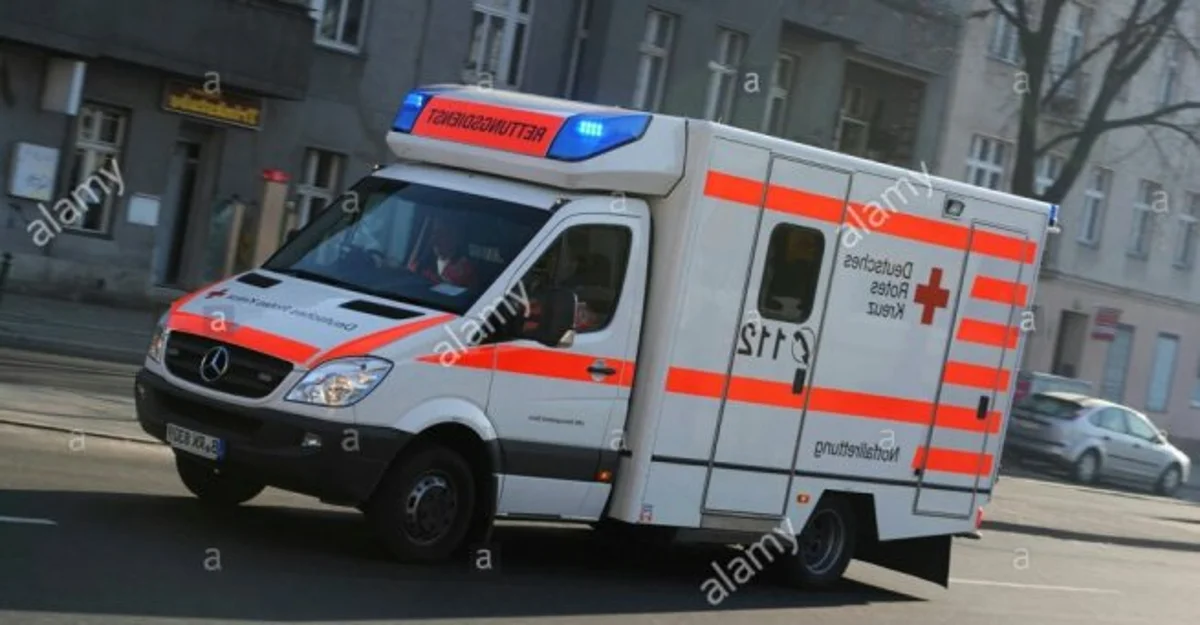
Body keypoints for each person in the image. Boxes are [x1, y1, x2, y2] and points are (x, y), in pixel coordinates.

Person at [408, 216, 478, 289]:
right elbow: (409, 275)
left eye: (442, 234)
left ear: (455, 237)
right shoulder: (422, 263)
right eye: (434, 233)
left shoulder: (465, 269)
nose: (436, 239)